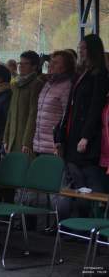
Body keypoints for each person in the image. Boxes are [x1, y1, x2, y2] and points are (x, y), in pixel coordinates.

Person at [55, 34, 109, 217]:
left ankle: (91, 220)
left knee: (89, 181)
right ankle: (78, 222)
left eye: (84, 48)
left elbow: (95, 107)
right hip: (72, 132)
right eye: (79, 48)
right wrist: (60, 134)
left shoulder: (100, 74)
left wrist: (85, 136)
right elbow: (70, 106)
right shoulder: (79, 74)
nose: (81, 52)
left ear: (93, 51)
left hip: (87, 136)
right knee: (75, 179)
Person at [2, 51, 44, 205]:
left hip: (25, 139)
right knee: (14, 176)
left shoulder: (36, 84)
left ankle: (28, 219)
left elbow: (34, 114)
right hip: (12, 137)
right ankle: (16, 215)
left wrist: (27, 141)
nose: (20, 67)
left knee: (26, 177)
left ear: (34, 66)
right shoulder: (16, 84)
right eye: (20, 63)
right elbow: (11, 113)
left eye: (25, 64)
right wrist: (5, 137)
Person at [33, 51, 73, 155]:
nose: (51, 65)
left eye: (55, 63)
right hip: (39, 144)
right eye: (51, 62)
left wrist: (59, 142)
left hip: (53, 147)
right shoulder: (48, 84)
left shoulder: (67, 86)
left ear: (65, 67)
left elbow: (66, 117)